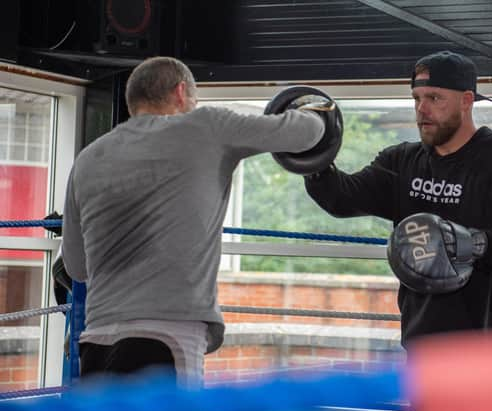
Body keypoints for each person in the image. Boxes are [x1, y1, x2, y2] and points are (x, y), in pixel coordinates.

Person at [61, 56, 329, 388]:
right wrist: (317, 108)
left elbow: (76, 267)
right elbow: (309, 131)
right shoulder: (205, 126)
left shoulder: (88, 158)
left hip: (97, 341)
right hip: (167, 335)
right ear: (180, 91)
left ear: (133, 102)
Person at [304, 51, 492, 348]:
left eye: (434, 98)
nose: (422, 109)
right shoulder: (402, 162)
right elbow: (342, 198)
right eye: (417, 98)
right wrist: (313, 159)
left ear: (466, 100)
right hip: (423, 343)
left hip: (489, 348)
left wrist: (475, 244)